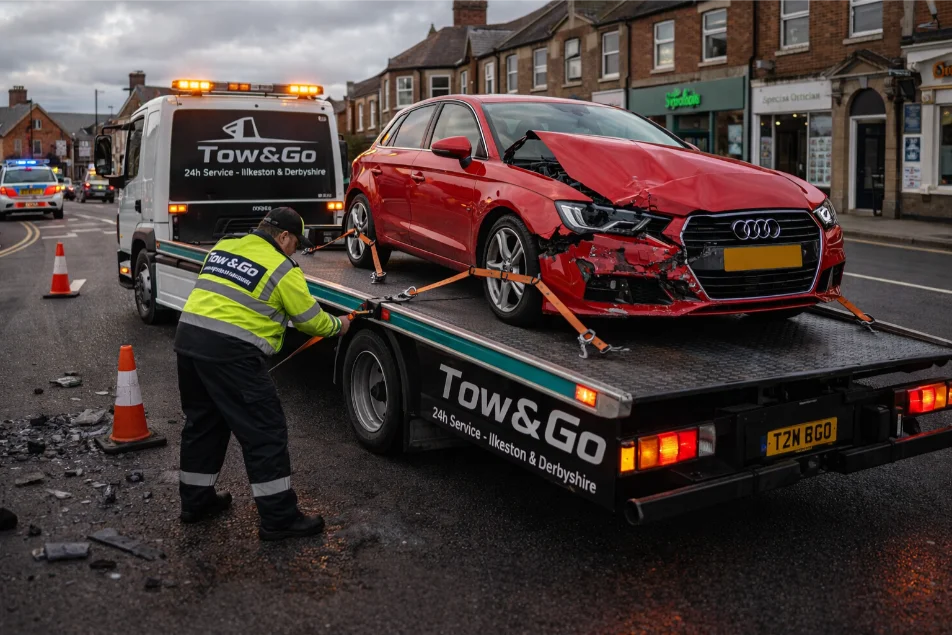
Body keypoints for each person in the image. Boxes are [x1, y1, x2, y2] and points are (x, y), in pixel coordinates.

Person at [173, 207, 350, 541]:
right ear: (283, 237)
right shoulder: (283, 269)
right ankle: (280, 519)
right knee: (265, 432)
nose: (295, 250)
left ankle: (195, 503)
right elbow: (310, 320)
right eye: (295, 243)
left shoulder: (224, 246)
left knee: (203, 424)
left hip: (189, 341)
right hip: (231, 353)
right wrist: (340, 325)